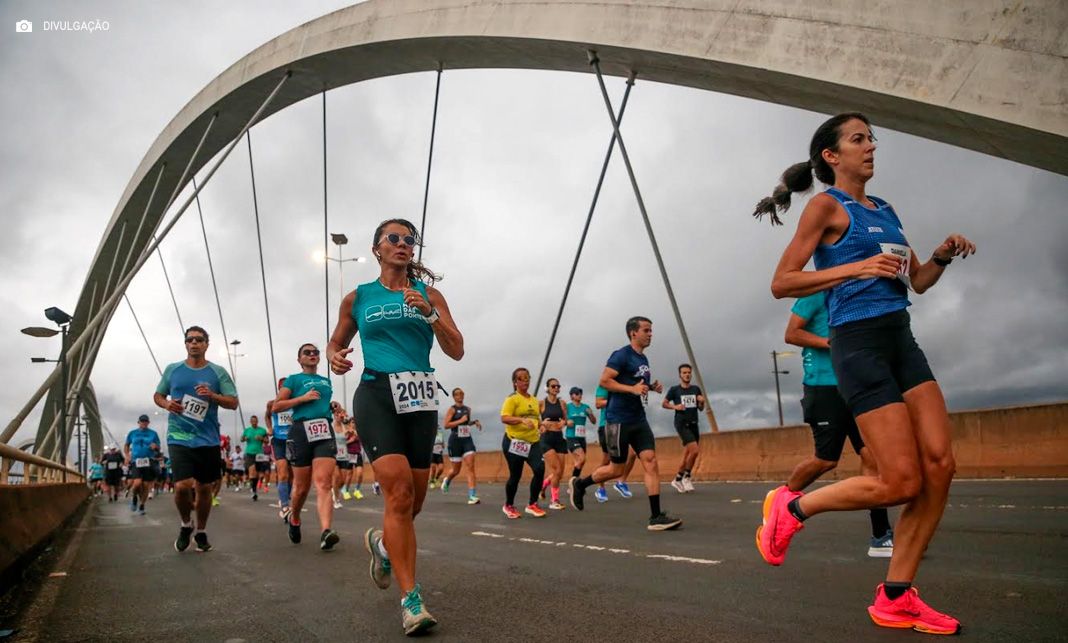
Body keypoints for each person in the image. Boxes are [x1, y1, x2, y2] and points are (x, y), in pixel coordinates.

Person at [753, 112, 975, 635]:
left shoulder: (887, 210)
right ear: (832, 156)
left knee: (941, 465)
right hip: (858, 346)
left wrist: (941, 256)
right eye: (858, 139)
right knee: (899, 481)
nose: (870, 146)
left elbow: (917, 281)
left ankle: (896, 596)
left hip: (901, 340)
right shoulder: (826, 206)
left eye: (872, 138)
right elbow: (782, 282)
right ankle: (793, 509)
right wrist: (856, 267)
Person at [327, 218, 463, 636]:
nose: (403, 244)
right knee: (399, 494)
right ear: (377, 249)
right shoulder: (357, 298)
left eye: (409, 240)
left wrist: (431, 314)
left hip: (419, 397)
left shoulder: (429, 294)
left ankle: (383, 545)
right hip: (376, 395)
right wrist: (334, 356)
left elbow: (457, 349)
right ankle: (411, 600)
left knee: (413, 504)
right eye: (394, 238)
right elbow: (336, 341)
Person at [783, 292, 895, 556]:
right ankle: (780, 503)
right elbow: (792, 334)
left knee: (872, 455)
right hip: (824, 388)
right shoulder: (815, 294)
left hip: (857, 384)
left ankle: (881, 536)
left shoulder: (853, 295)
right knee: (826, 460)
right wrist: (831, 342)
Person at [568, 317, 682, 531]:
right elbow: (605, 381)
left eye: (651, 330)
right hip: (617, 420)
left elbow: (636, 383)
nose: (650, 334)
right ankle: (580, 484)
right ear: (633, 333)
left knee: (650, 461)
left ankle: (656, 517)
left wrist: (651, 387)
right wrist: (632, 389)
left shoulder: (643, 358)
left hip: (638, 418)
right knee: (615, 469)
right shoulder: (620, 355)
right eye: (646, 330)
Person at [153, 325, 239, 553]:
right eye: (190, 339)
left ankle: (200, 531)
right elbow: (158, 395)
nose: (194, 343)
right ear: (185, 344)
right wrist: (167, 404)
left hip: (207, 439)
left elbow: (233, 402)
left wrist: (212, 396)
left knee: (204, 488)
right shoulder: (173, 370)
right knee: (182, 486)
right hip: (178, 436)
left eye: (199, 340)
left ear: (206, 345)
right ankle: (185, 525)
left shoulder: (217, 372)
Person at [272, 344, 339, 550]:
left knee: (324, 483)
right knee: (301, 488)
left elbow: (320, 404)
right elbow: (276, 406)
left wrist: (331, 406)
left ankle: (326, 531)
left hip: (323, 429)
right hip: (300, 430)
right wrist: (302, 398)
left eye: (315, 352)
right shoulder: (293, 379)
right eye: (307, 353)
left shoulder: (326, 381)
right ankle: (295, 518)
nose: (312, 355)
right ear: (299, 359)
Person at [499, 367, 547, 519]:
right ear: (515, 382)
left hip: (533, 442)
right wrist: (521, 420)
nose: (525, 381)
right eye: (521, 378)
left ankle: (532, 504)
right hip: (515, 442)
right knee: (515, 476)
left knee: (540, 469)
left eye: (527, 377)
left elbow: (536, 418)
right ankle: (508, 505)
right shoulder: (512, 399)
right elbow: (504, 418)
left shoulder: (534, 400)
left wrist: (541, 425)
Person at [662, 364, 706, 493]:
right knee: (695, 451)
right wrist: (675, 407)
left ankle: (677, 479)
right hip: (681, 423)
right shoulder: (674, 390)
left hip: (694, 423)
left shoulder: (696, 389)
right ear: (680, 375)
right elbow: (664, 403)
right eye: (684, 373)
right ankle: (687, 477)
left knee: (688, 454)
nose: (687, 375)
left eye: (688, 372)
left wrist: (702, 402)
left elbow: (700, 409)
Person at [592, 385, 637, 503]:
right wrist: (617, 402)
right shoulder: (604, 386)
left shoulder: (625, 386)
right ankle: (600, 488)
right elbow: (598, 403)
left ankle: (621, 482)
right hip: (607, 425)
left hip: (624, 424)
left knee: (632, 453)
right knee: (606, 460)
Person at [441, 388, 481, 505]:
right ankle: (447, 480)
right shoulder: (452, 409)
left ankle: (472, 495)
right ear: (454, 397)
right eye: (457, 394)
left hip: (467, 440)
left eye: (462, 394)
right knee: (456, 470)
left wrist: (474, 422)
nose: (460, 396)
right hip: (455, 441)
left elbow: (466, 422)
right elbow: (446, 425)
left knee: (470, 466)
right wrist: (460, 420)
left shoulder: (467, 409)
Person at [538, 378, 569, 510]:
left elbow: (566, 419)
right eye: (553, 386)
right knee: (556, 469)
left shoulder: (562, 403)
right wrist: (541, 424)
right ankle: (554, 500)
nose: (556, 388)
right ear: (547, 388)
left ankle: (544, 484)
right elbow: (533, 419)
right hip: (547, 438)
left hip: (559, 438)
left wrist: (564, 422)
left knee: (560, 473)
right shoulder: (541, 403)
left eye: (558, 386)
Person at [124, 414, 162, 515]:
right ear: (138, 422)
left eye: (145, 421)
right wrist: (127, 456)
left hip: (149, 461)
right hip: (136, 461)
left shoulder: (153, 433)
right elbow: (126, 445)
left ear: (148, 423)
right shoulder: (132, 433)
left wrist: (155, 447)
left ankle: (142, 505)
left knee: (145, 485)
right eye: (142, 421)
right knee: (137, 483)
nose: (144, 423)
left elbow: (159, 447)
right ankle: (134, 498)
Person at [266, 387, 293, 520]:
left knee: (292, 475)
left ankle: (285, 496)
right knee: (283, 473)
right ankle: (285, 506)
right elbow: (267, 416)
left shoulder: (295, 402)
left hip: (293, 441)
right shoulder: (272, 403)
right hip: (278, 441)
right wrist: (270, 428)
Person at [564, 386, 597, 495]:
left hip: (581, 437)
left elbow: (594, 421)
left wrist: (590, 413)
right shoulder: (568, 407)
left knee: (580, 463)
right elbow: (562, 420)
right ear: (572, 395)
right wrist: (567, 422)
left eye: (581, 393)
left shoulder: (585, 407)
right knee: (582, 458)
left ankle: (573, 485)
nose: (580, 395)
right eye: (577, 393)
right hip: (571, 436)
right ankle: (573, 484)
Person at [241, 416, 269, 501]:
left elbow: (267, 441)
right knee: (252, 472)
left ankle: (254, 489)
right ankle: (253, 491)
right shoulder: (247, 430)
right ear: (250, 421)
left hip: (259, 453)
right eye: (252, 421)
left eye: (255, 421)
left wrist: (261, 438)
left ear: (257, 421)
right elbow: (241, 439)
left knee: (257, 474)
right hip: (249, 453)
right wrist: (245, 438)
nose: (254, 422)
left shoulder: (262, 430)